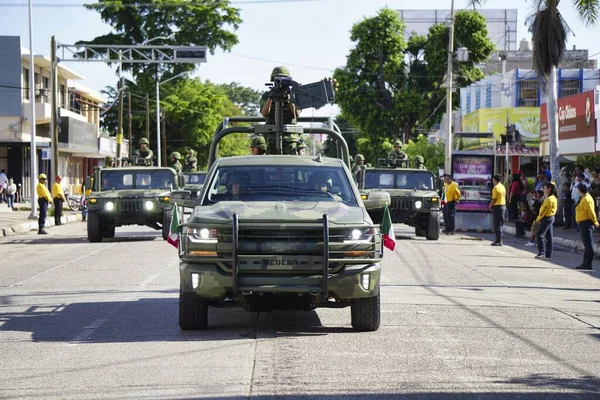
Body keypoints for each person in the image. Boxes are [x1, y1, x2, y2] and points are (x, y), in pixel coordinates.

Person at [260, 66, 301, 155]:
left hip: (290, 137)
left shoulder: (294, 95)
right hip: (272, 136)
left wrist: (290, 98)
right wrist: (270, 98)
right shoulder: (267, 96)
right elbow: (264, 113)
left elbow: (296, 113)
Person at [574, 183, 599, 270]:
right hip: (583, 223)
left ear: (580, 190)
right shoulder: (584, 198)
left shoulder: (586, 199)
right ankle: (585, 262)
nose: (577, 191)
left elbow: (591, 212)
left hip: (586, 223)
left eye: (578, 189)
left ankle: (588, 263)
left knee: (588, 244)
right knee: (586, 244)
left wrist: (596, 223)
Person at [535, 182, 558, 260]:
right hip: (550, 217)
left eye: (545, 188)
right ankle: (548, 254)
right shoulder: (552, 197)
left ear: (549, 189)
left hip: (547, 217)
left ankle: (542, 252)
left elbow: (543, 211)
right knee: (549, 236)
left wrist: (538, 219)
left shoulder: (549, 199)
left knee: (539, 235)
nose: (544, 190)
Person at [489, 174, 507, 246]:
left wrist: (490, 206)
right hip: (503, 206)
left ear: (494, 180)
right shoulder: (502, 187)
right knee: (500, 223)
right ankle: (499, 239)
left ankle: (498, 240)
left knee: (497, 224)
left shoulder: (495, 188)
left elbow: (494, 199)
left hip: (497, 207)